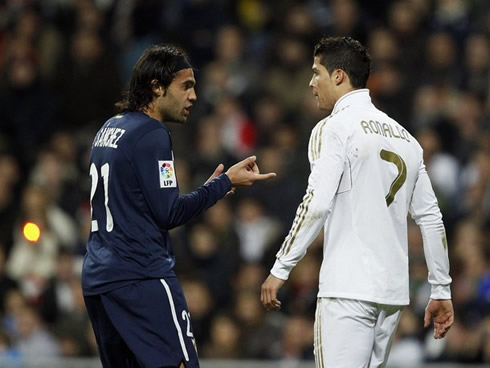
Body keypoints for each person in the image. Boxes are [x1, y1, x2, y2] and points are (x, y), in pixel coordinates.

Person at [261, 36, 454, 367]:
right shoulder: (407, 139)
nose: (311, 83)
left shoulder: (334, 127)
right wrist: (441, 289)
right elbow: (431, 219)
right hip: (391, 295)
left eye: (316, 72)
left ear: (338, 76)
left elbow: (316, 202)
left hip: (347, 288)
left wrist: (282, 266)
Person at [82, 44, 275, 368]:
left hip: (99, 278)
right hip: (141, 277)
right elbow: (168, 213)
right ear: (157, 87)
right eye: (186, 86)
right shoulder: (152, 134)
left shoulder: (110, 128)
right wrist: (224, 183)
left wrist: (211, 189)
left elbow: (141, 203)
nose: (194, 96)